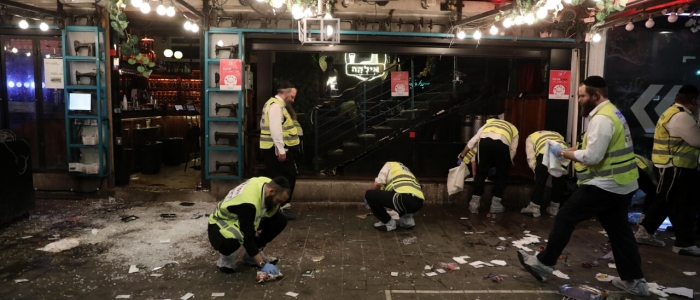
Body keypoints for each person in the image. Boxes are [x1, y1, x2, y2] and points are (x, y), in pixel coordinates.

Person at [517, 76, 649, 297]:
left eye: (582, 96)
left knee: (565, 217)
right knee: (620, 233)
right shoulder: (613, 113)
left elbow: (593, 156)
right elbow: (601, 148)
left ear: (596, 95)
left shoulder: (601, 119)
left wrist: (562, 153)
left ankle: (543, 264)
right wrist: (573, 148)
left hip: (605, 184)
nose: (579, 100)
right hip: (622, 184)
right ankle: (635, 282)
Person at [635, 85, 700, 255]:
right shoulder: (682, 117)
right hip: (675, 166)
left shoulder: (672, 112)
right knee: (670, 202)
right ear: (693, 100)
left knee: (672, 202)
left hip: (671, 166)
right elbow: (697, 140)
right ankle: (679, 241)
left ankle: (681, 239)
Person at [207, 176, 291, 274]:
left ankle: (250, 256)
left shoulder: (267, 184)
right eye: (279, 201)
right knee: (232, 241)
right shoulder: (249, 204)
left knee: (280, 220)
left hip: (242, 217)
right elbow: (248, 236)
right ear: (271, 191)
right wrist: (261, 264)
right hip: (221, 224)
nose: (278, 205)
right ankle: (226, 259)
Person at [459, 118, 518, 214]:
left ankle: (474, 204)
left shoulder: (488, 124)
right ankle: (495, 205)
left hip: (485, 142)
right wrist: (504, 165)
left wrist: (462, 155)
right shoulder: (514, 129)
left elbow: (473, 141)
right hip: (502, 145)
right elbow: (513, 150)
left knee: (481, 172)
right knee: (501, 175)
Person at [260, 81, 300, 220]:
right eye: (292, 97)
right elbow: (275, 130)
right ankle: (281, 206)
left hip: (273, 148)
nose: (293, 100)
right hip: (276, 149)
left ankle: (273, 207)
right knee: (288, 176)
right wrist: (281, 149)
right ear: (285, 93)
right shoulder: (276, 107)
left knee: (277, 177)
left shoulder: (274, 104)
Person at [520, 130, 570, 217]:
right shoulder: (557, 134)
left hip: (544, 153)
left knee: (540, 182)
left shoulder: (531, 136)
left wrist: (536, 170)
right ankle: (554, 208)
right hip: (562, 154)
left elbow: (530, 156)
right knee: (559, 180)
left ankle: (534, 207)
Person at [365, 161, 425, 232]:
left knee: (370, 194)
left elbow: (377, 184)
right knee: (400, 198)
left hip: (403, 199)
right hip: (418, 202)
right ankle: (407, 221)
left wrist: (369, 199)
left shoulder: (388, 165)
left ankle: (388, 223)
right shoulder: (404, 169)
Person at [633, 154, 658, 225]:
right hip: (639, 167)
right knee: (652, 192)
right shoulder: (656, 171)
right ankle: (644, 218)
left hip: (632, 166)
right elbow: (655, 189)